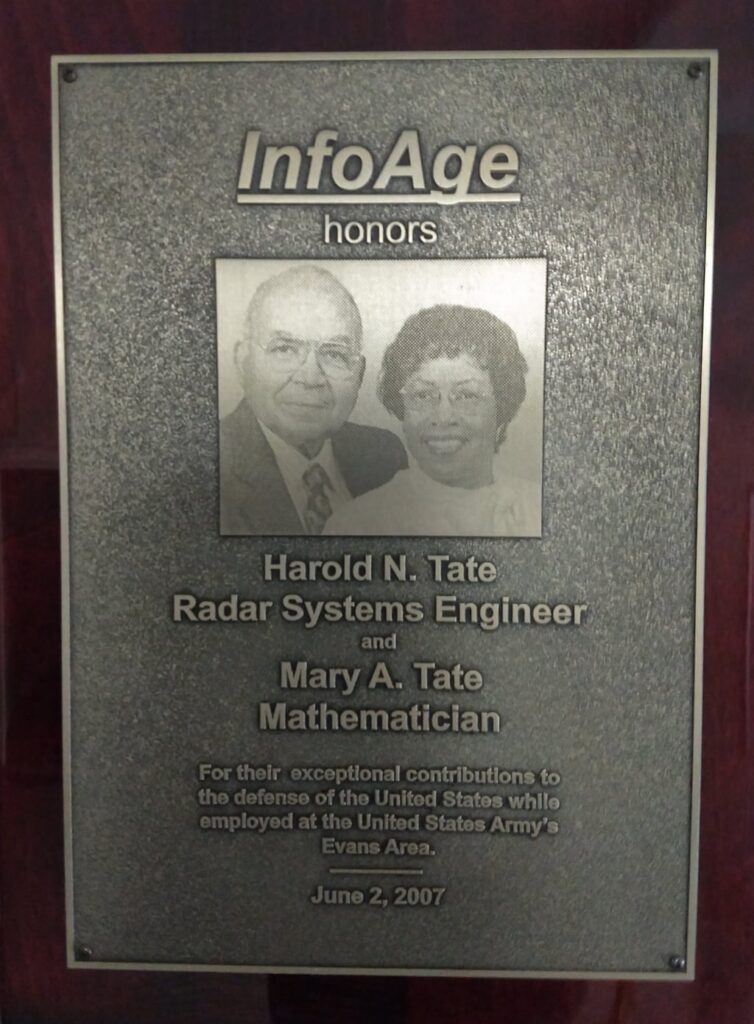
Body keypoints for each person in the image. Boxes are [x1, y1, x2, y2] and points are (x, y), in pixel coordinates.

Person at [324, 304, 540, 536]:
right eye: (423, 395)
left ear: (502, 406)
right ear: (402, 409)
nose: (443, 417)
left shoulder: (541, 509)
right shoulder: (356, 524)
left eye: (467, 395)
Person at [219, 266, 406, 535]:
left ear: (359, 374)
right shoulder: (212, 463)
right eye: (284, 349)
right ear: (242, 362)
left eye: (334, 354)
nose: (310, 378)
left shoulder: (384, 456)